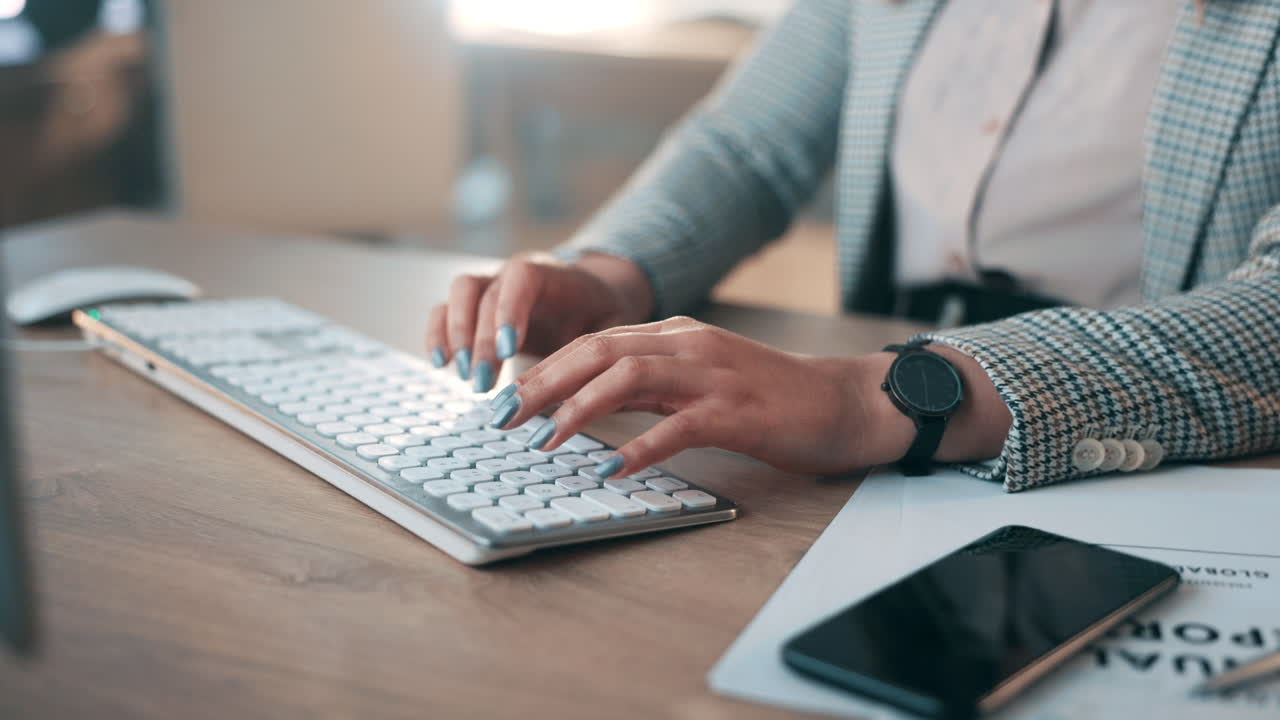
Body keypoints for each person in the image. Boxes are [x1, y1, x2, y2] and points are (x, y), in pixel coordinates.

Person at [425, 0, 1280, 492]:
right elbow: (748, 148)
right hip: (876, 419)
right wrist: (612, 277)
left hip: (1138, 443)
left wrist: (873, 402)